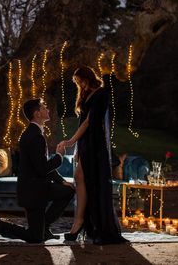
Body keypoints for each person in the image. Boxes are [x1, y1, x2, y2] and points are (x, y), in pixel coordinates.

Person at [0, 98, 75, 243]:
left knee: (68, 190)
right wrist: (59, 156)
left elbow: (41, 166)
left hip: (40, 188)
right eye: (44, 107)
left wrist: (62, 181)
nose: (48, 110)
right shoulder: (34, 136)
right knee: (35, 237)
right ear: (37, 114)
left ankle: (44, 227)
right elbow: (42, 168)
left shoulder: (36, 134)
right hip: (33, 192)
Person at [59, 66, 127, 245]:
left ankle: (82, 223)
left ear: (88, 77)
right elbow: (83, 121)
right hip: (85, 144)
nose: (80, 84)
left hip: (95, 145)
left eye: (80, 80)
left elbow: (90, 121)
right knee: (80, 178)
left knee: (86, 180)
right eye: (77, 83)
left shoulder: (101, 93)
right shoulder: (85, 94)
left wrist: (72, 141)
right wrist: (77, 148)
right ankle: (79, 222)